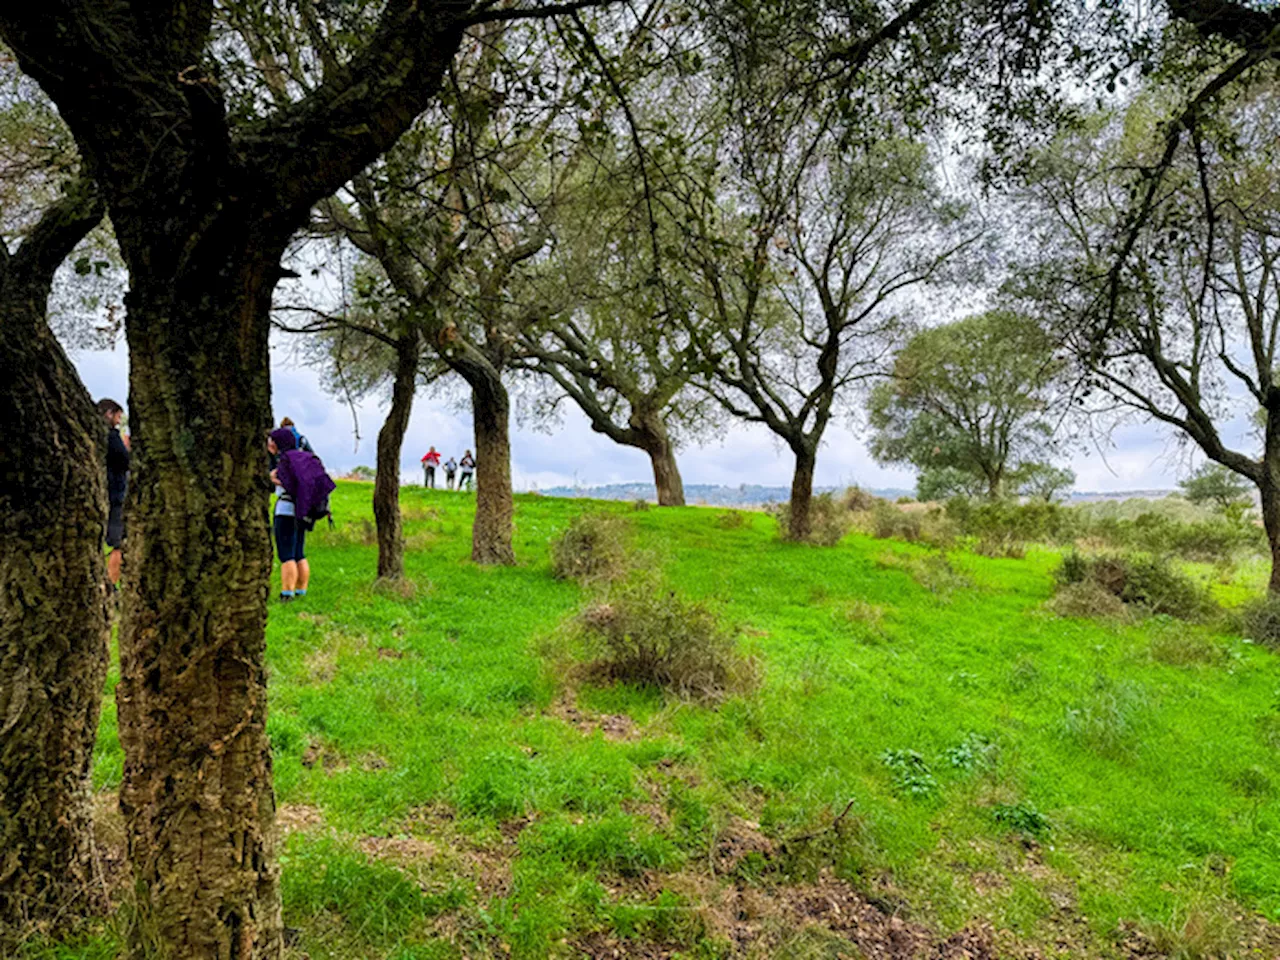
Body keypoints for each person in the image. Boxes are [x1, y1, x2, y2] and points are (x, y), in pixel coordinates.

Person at [267, 428, 315, 602]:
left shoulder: (285, 462)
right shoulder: (301, 459)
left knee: (286, 554)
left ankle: (287, 594)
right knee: (299, 553)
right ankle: (301, 591)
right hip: (302, 510)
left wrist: (272, 478)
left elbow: (284, 481)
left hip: (286, 510)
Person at [98, 398, 129, 587]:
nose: (118, 421)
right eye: (117, 416)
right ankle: (112, 586)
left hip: (106, 495)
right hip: (115, 496)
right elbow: (125, 460)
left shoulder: (94, 436)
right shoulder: (111, 436)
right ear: (109, 414)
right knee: (118, 544)